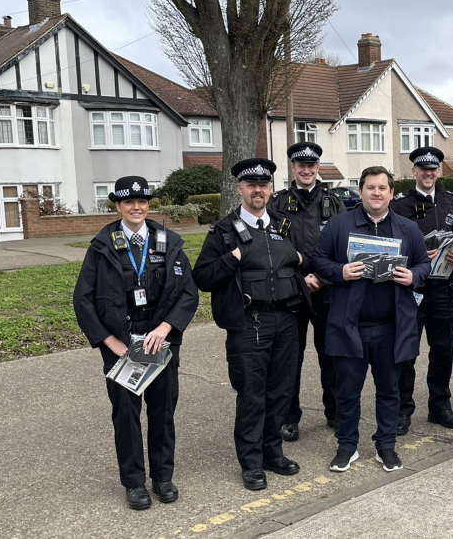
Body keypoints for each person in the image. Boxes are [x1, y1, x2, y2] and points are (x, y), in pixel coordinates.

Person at [73, 176, 199, 510]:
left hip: (160, 341)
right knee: (126, 416)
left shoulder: (166, 241)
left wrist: (165, 328)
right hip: (122, 342)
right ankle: (134, 483)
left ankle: (162, 477)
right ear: (117, 206)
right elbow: (83, 300)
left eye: (142, 201)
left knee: (163, 411)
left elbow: (188, 292)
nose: (136, 207)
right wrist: (109, 341)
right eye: (129, 202)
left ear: (148, 204)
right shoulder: (102, 246)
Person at [193, 158, 307, 490]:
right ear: (239, 189)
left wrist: (301, 260)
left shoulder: (285, 226)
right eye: (251, 185)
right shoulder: (224, 231)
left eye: (264, 185)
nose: (258, 191)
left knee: (280, 391)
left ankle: (273, 452)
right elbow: (202, 276)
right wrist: (233, 257)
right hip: (249, 322)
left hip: (286, 318)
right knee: (252, 394)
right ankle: (252, 462)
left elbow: (305, 261)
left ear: (270, 189)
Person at [312, 166, 431, 473]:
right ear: (360, 191)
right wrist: (339, 272)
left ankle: (386, 446)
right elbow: (318, 260)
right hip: (349, 327)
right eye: (370, 187)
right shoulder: (339, 225)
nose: (376, 193)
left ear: (391, 193)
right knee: (347, 391)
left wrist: (413, 277)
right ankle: (347, 446)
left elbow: (423, 265)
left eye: (382, 188)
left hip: (391, 327)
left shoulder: (407, 229)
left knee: (389, 390)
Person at [269, 142, 346, 442]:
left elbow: (344, 248)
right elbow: (271, 248)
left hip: (327, 294)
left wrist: (323, 278)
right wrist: (303, 280)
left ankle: (335, 412)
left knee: (331, 357)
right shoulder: (277, 203)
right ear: (292, 167)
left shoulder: (335, 203)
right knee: (290, 360)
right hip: (291, 294)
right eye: (300, 165)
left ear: (317, 167)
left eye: (311, 165)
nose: (306, 169)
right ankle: (289, 417)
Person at [390, 147, 453, 434]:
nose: (428, 173)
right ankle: (402, 410)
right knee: (406, 352)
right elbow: (391, 245)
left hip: (443, 289)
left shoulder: (451, 201)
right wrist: (420, 253)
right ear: (413, 171)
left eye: (433, 168)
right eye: (423, 168)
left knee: (442, 351)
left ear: (438, 171)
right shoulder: (399, 204)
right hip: (412, 288)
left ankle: (439, 406)